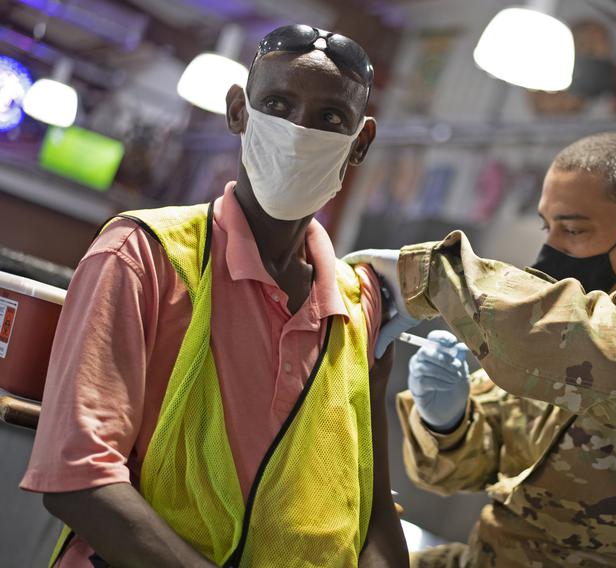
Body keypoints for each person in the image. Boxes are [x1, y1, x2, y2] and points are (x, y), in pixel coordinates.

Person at [22, 24, 407, 567]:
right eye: (277, 104)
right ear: (238, 112)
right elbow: (77, 475)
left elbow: (371, 512)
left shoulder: (361, 305)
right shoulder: (142, 255)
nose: (299, 132)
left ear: (360, 143)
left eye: (330, 119)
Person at [345, 133, 616, 567]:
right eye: (546, 226)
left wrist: (433, 277)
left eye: (572, 229)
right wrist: (447, 420)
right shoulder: (563, 334)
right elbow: (451, 471)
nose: (549, 251)